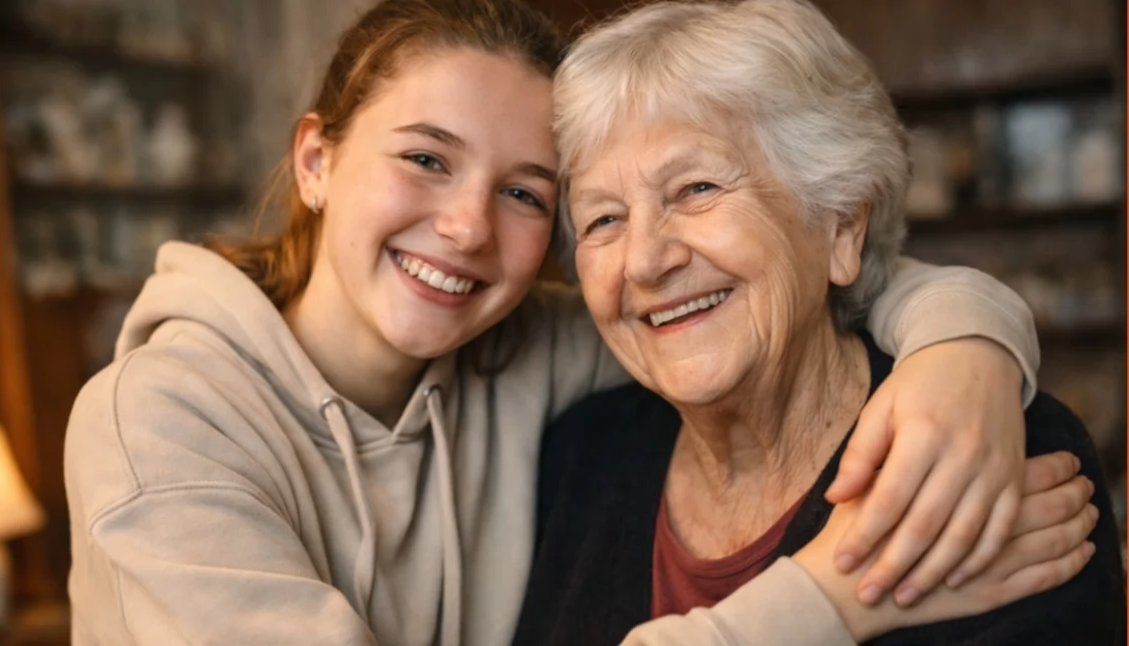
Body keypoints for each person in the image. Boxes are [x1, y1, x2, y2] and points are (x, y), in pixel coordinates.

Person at [64, 1, 1063, 644]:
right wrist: (835, 596)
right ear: (317, 161)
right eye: (424, 158)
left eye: (528, 193)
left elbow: (769, 284)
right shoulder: (154, 423)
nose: (463, 227)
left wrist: (961, 343)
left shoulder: (524, 356)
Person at [512, 1, 1126, 644]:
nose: (643, 261)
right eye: (603, 219)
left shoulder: (986, 443)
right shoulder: (576, 457)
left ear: (840, 226)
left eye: (696, 189)